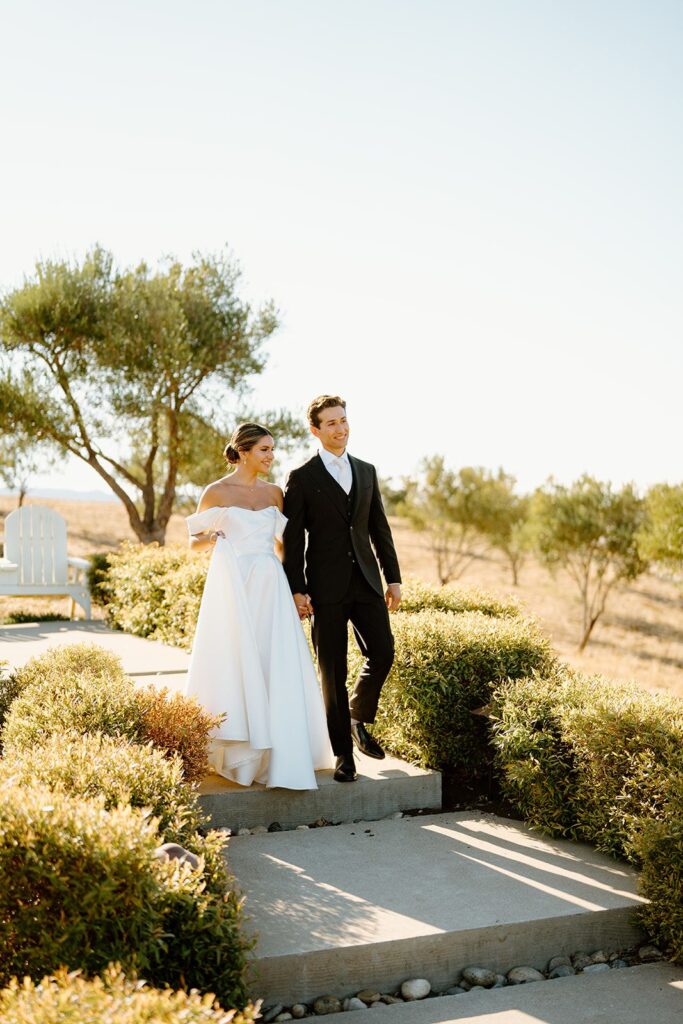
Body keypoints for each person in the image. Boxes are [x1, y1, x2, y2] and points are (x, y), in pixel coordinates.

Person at [184, 422, 333, 789]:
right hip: (235, 586)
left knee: (274, 662)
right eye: (264, 449)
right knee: (237, 660)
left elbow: (283, 546)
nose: (271, 456)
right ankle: (240, 751)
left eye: (272, 449)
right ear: (244, 451)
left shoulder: (274, 494)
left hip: (270, 585)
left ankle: (281, 753)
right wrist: (215, 537)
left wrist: (296, 590)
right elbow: (193, 542)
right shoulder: (216, 491)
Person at [283, 396, 402, 783]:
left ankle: (357, 715)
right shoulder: (302, 477)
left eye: (344, 420)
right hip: (325, 587)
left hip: (367, 582)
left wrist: (393, 577)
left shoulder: (366, 471)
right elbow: (293, 539)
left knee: (383, 651)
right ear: (315, 430)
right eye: (331, 423)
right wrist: (297, 589)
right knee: (332, 671)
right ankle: (343, 756)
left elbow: (378, 528)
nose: (341, 428)